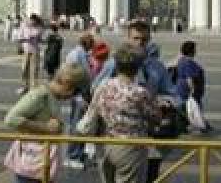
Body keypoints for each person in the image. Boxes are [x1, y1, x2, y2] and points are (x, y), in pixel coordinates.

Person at [92, 20, 178, 181]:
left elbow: (174, 95)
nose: (140, 43)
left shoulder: (157, 67)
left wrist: (164, 101)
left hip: (149, 138)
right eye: (136, 39)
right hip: (110, 137)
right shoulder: (114, 64)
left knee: (150, 177)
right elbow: (95, 90)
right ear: (128, 38)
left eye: (144, 40)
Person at [3, 63, 89, 183]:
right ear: (66, 83)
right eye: (75, 92)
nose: (72, 97)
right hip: (31, 164)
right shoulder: (39, 95)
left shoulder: (52, 96)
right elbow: (11, 119)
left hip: (41, 163)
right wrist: (46, 128)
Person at [87, 44, 161, 183]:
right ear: (138, 67)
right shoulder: (139, 92)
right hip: (130, 146)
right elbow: (156, 117)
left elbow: (94, 106)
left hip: (104, 144)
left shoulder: (104, 85)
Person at [63, 33, 96, 170]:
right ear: (87, 44)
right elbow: (83, 75)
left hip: (78, 93)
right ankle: (72, 156)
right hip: (79, 94)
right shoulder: (78, 55)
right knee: (77, 125)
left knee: (80, 124)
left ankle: (78, 153)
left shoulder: (78, 53)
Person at [174, 40, 212, 133]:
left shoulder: (182, 60)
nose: (196, 51)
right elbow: (189, 78)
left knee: (185, 109)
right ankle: (202, 126)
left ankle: (186, 127)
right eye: (194, 49)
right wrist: (192, 90)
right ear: (191, 51)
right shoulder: (188, 62)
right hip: (187, 91)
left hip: (181, 89)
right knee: (194, 109)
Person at [16, 14, 45, 94]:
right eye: (32, 21)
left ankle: (33, 87)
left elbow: (41, 39)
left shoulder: (39, 27)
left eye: (34, 22)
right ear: (30, 20)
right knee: (24, 69)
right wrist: (20, 46)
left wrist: (39, 40)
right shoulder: (24, 25)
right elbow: (19, 38)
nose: (33, 23)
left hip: (35, 50)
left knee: (35, 69)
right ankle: (25, 87)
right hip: (26, 49)